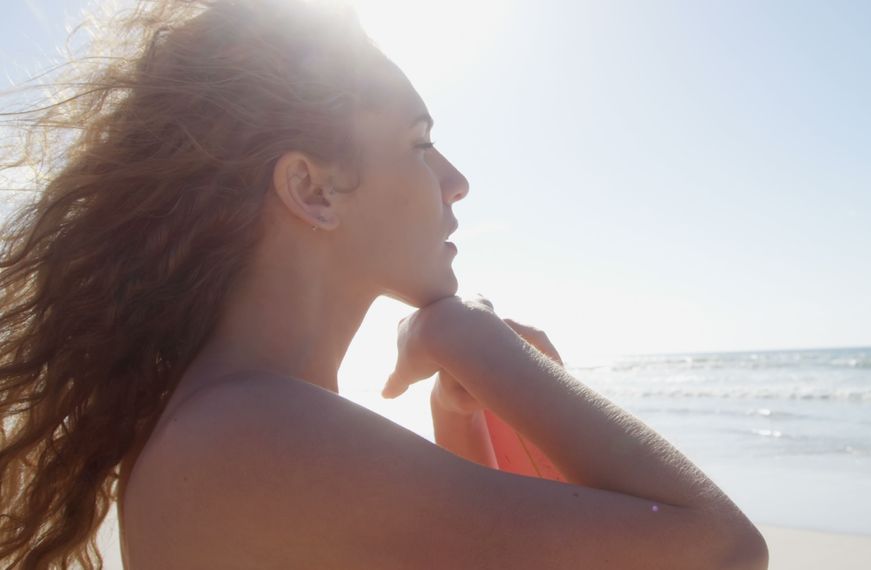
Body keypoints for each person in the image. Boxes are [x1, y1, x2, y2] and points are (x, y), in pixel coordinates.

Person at [0, 0, 768, 568]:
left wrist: (461, 417)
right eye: (421, 143)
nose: (457, 181)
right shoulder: (249, 434)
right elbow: (724, 551)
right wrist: (472, 340)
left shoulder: (240, 421)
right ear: (313, 191)